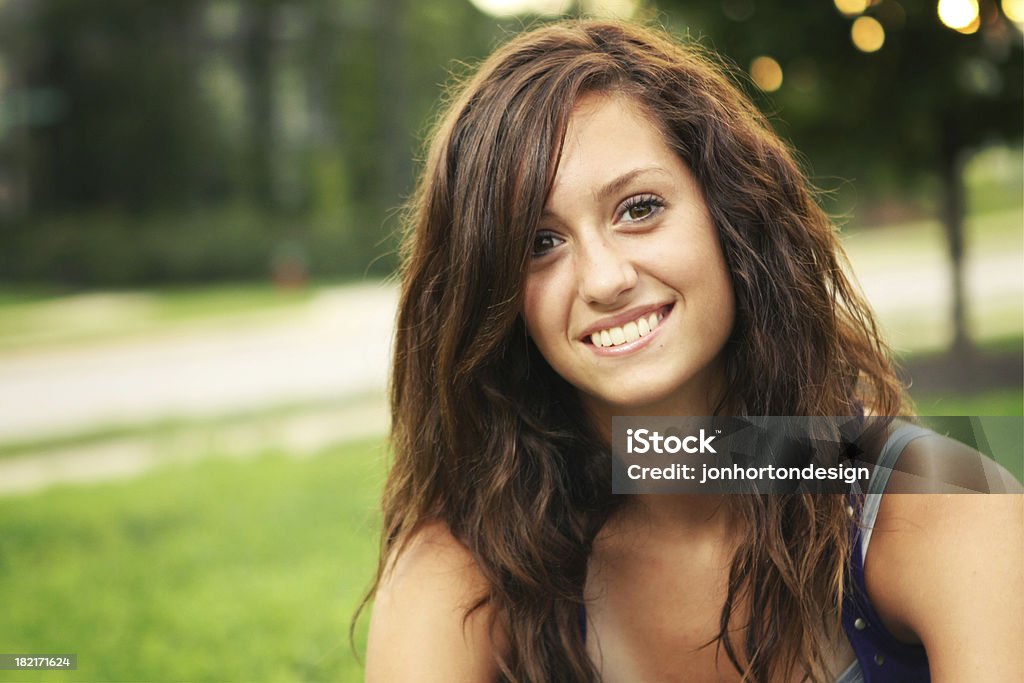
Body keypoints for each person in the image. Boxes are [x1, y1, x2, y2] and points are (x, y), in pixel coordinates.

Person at [362, 19, 1023, 682]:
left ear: (729, 215)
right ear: (497, 301)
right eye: (540, 244)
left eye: (640, 207)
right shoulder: (467, 567)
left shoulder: (944, 504)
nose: (605, 278)